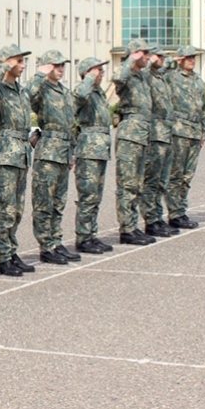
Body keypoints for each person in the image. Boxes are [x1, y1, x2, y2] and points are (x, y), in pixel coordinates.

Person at [0, 44, 35, 276]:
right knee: (5, 208)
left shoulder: (21, 91)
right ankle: (2, 257)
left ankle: (12, 252)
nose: (22, 65)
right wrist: (3, 65)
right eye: (18, 61)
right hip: (6, 155)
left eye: (23, 62)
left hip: (22, 153)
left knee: (18, 209)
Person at [26, 50, 80, 264]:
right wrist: (40, 74)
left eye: (62, 65)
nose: (60, 69)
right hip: (48, 152)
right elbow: (26, 97)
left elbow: (70, 124)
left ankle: (56, 241)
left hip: (64, 151)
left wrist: (73, 150)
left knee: (58, 202)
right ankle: (46, 246)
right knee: (44, 202)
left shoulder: (65, 92)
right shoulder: (41, 89)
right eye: (55, 65)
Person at [112, 39, 158, 246]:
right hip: (130, 134)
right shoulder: (127, 75)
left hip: (142, 135)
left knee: (137, 183)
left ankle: (133, 225)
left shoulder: (142, 77)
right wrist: (130, 58)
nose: (148, 56)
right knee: (127, 184)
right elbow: (117, 78)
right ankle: (126, 229)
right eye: (145, 53)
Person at [72, 57, 115, 255]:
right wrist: (89, 78)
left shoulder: (98, 93)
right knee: (88, 195)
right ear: (88, 72)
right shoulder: (83, 90)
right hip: (88, 151)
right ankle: (83, 237)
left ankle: (91, 234)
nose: (102, 73)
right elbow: (79, 96)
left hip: (100, 150)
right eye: (98, 70)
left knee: (96, 195)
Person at [166, 45, 205, 229]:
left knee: (187, 176)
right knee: (175, 174)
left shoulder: (198, 80)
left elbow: (204, 108)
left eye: (193, 57)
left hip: (194, 132)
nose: (192, 60)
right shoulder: (172, 77)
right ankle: (174, 213)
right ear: (180, 59)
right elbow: (158, 70)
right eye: (188, 57)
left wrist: (204, 131)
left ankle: (181, 211)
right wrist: (173, 60)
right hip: (179, 131)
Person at [139, 45, 179, 238]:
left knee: (162, 181)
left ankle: (157, 216)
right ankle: (150, 220)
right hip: (154, 135)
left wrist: (164, 58)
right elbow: (140, 70)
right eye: (158, 56)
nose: (161, 59)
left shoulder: (161, 75)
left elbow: (173, 63)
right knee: (151, 181)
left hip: (166, 133)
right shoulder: (146, 75)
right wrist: (149, 60)